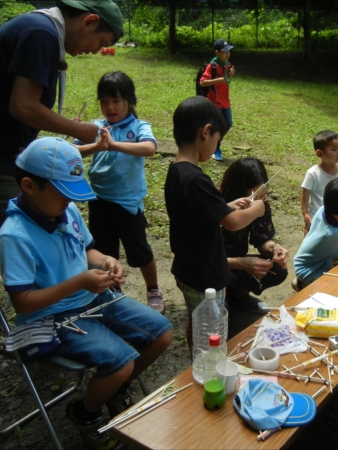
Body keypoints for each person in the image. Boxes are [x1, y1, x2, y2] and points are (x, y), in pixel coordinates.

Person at [0, 137, 173, 450]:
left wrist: (107, 261)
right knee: (121, 363)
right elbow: (21, 302)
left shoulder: (67, 211)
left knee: (162, 334)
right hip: (51, 317)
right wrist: (78, 283)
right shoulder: (15, 237)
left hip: (93, 300)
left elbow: (87, 249)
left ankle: (114, 390)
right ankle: (84, 413)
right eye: (63, 192)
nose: (69, 200)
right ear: (29, 185)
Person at [0, 0, 124, 233]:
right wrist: (78, 130)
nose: (97, 50)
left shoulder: (43, 30)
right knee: (16, 239)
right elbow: (23, 106)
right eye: (101, 42)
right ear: (89, 21)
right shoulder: (41, 34)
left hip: (2, 157)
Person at [164, 96, 265, 352]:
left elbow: (197, 212)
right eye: (217, 140)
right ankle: (203, 365)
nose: (216, 145)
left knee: (196, 318)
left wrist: (228, 205)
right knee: (210, 329)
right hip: (204, 275)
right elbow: (232, 224)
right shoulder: (197, 179)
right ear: (206, 132)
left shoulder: (177, 171)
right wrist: (257, 209)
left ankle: (195, 357)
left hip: (188, 268)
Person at [74, 71, 165, 313]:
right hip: (99, 201)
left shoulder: (138, 127)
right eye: (104, 101)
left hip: (127, 203)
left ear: (130, 101)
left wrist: (114, 145)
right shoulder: (95, 126)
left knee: (140, 252)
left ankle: (153, 289)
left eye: (116, 101)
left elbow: (149, 148)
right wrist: (84, 136)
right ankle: (114, 294)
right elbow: (73, 152)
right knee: (104, 253)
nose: (109, 107)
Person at [219, 157, 289, 337]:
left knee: (277, 270)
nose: (259, 200)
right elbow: (205, 257)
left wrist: (274, 248)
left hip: (238, 262)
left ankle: (236, 298)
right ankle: (224, 302)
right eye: (254, 195)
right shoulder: (217, 202)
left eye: (262, 195)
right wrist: (243, 263)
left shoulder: (260, 204)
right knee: (230, 280)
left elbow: (262, 239)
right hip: (213, 265)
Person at [199, 38, 235, 162]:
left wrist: (230, 75)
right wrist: (219, 80)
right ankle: (214, 149)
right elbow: (203, 82)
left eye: (229, 51)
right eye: (224, 52)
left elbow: (227, 81)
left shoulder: (227, 64)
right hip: (214, 102)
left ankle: (215, 145)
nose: (227, 54)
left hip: (225, 101)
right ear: (217, 52)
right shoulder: (212, 66)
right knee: (217, 125)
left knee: (228, 123)